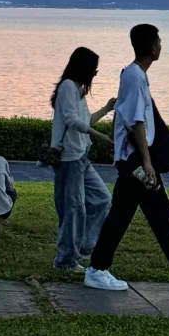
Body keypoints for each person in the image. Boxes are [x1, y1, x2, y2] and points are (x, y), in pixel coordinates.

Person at [86, 24, 169, 292]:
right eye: (159, 42)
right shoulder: (135, 77)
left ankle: (98, 269)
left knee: (124, 214)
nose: (161, 46)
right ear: (152, 47)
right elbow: (137, 122)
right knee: (159, 212)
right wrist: (147, 162)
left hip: (131, 161)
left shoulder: (133, 75)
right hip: (137, 161)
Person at [50, 47, 115, 269]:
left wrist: (107, 109)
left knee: (103, 199)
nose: (95, 74)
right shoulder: (68, 87)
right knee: (74, 208)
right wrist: (100, 137)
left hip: (81, 158)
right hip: (69, 158)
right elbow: (71, 120)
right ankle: (65, 260)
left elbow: (85, 121)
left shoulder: (77, 90)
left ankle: (85, 246)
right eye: (94, 69)